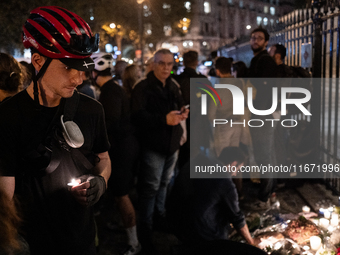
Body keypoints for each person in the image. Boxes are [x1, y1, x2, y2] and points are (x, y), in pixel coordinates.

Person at [0, 6, 111, 255]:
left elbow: (103, 158)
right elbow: (4, 191)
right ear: (38, 60)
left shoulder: (92, 110)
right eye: (67, 68)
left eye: (82, 68)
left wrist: (100, 181)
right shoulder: (8, 116)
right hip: (32, 244)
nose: (78, 78)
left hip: (83, 241)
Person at [131, 48, 189, 253]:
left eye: (169, 64)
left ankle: (160, 218)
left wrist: (184, 111)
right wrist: (163, 119)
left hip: (171, 146)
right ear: (153, 64)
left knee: (164, 184)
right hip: (153, 147)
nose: (166, 68)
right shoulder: (142, 87)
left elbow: (181, 103)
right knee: (150, 189)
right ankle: (145, 232)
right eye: (162, 63)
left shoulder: (172, 85)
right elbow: (137, 117)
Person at [91, 52, 141, 255]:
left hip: (120, 151)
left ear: (94, 72)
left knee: (122, 196)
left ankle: (134, 243)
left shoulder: (109, 92)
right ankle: (121, 226)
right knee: (119, 194)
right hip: (126, 148)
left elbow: (110, 125)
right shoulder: (114, 88)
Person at [167, 147, 254, 245]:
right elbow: (237, 219)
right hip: (198, 232)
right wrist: (252, 243)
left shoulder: (198, 160)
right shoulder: (225, 182)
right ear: (233, 164)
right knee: (226, 221)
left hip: (174, 219)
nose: (235, 174)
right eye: (238, 169)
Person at [247, 27, 278, 210]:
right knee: (267, 155)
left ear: (266, 42)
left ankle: (265, 197)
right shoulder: (258, 59)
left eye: (259, 38)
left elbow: (265, 90)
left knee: (263, 156)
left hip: (262, 114)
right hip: (263, 113)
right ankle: (270, 193)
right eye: (253, 38)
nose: (255, 41)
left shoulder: (264, 61)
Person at [174, 50, 206, 168]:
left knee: (181, 158)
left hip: (180, 122)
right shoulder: (202, 80)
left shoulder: (176, 80)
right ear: (196, 62)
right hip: (198, 123)